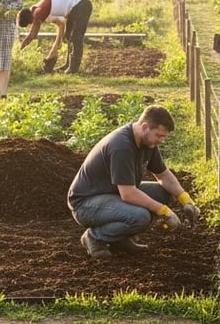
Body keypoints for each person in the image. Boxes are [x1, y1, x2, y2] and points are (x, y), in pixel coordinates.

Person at [67, 105, 201, 260]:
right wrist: (164, 211)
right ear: (145, 127)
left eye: (164, 136)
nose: (161, 140)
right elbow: (128, 194)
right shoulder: (122, 147)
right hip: (86, 203)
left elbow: (163, 175)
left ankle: (119, 239)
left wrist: (185, 199)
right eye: (159, 135)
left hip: (112, 194)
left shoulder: (147, 143)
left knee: (164, 193)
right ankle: (95, 237)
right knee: (140, 216)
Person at [18, 0, 92, 74]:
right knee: (68, 36)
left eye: (30, 24)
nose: (32, 25)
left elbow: (33, 35)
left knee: (76, 37)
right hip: (74, 9)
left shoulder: (38, 13)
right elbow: (61, 23)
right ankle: (68, 65)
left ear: (30, 19)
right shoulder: (38, 8)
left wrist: (20, 49)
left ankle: (73, 69)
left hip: (81, 5)